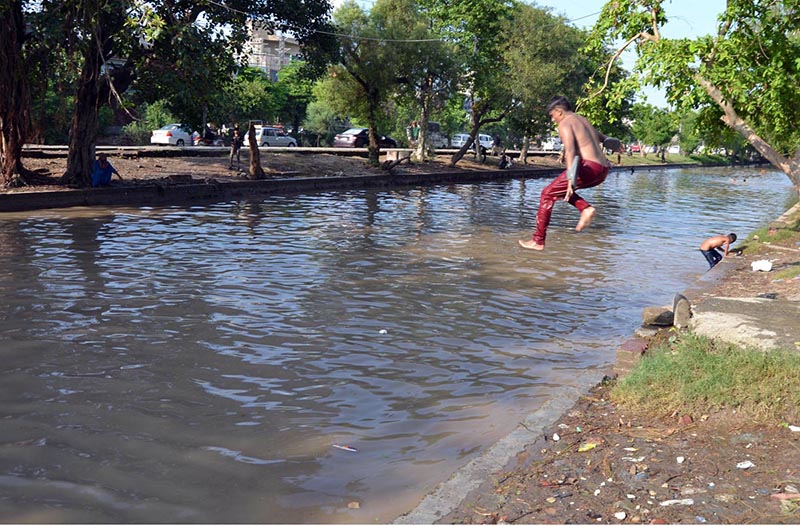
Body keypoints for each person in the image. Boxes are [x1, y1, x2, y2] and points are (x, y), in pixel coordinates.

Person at [518, 96, 613, 251]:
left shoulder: (565, 123)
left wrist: (571, 179)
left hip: (588, 167)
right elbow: (603, 138)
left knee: (547, 194)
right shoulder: (582, 120)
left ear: (559, 111)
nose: (553, 120)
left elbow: (570, 150)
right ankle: (585, 208)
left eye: (552, 116)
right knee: (558, 191)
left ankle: (538, 241)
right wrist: (614, 143)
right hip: (602, 170)